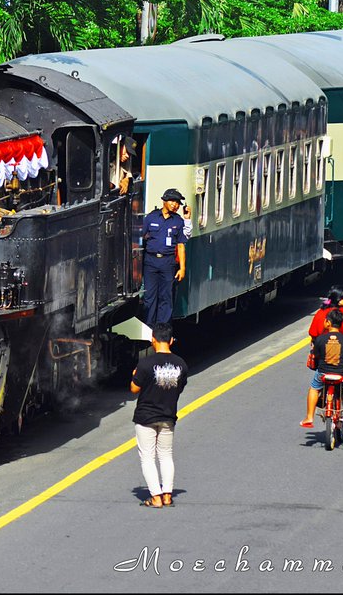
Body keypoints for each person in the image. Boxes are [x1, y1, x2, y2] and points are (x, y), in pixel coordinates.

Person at [131, 322, 188, 508]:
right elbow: (179, 388)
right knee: (166, 455)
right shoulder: (181, 364)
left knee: (147, 457)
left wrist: (134, 375)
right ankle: (167, 495)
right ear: (171, 341)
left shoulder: (145, 364)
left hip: (145, 417)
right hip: (168, 416)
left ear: (152, 340)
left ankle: (155, 497)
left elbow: (134, 389)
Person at [301, 309, 343, 438]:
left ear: (328, 323)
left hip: (323, 373)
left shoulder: (320, 339)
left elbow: (316, 355)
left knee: (314, 388)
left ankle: (309, 417)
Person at [142, 189, 188, 328]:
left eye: (177, 203)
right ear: (164, 201)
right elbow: (140, 238)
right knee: (149, 297)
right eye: (173, 201)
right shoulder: (151, 217)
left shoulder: (178, 221)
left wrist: (182, 268)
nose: (175, 205)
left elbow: (181, 245)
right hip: (151, 261)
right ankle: (149, 327)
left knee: (166, 297)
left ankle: (163, 328)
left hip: (168, 262)